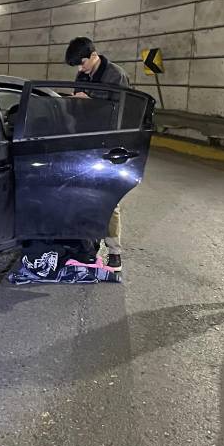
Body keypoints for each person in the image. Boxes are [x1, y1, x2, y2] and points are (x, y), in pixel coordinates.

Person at [65, 37, 129, 272]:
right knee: (85, 195)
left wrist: (90, 101)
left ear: (93, 55)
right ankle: (88, 246)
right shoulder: (82, 75)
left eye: (82, 63)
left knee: (110, 199)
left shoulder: (115, 75)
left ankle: (114, 251)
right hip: (86, 143)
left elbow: (120, 111)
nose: (80, 70)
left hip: (111, 146)